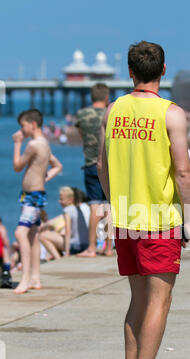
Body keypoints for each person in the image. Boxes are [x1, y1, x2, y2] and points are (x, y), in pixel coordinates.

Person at [97, 40, 190, 359]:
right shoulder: (171, 114)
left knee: (137, 300)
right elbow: (183, 171)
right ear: (163, 71)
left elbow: (101, 167)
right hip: (159, 219)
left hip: (125, 217)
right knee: (159, 301)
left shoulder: (113, 110)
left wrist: (114, 203)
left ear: (130, 71)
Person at [13, 109, 62, 294]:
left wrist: (18, 143)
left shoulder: (33, 144)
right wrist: (44, 177)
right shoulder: (45, 144)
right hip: (33, 195)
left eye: (23, 126)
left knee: (20, 234)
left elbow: (17, 166)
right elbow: (57, 166)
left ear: (32, 125)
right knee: (33, 236)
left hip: (32, 197)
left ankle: (25, 278)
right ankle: (35, 278)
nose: (21, 130)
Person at [75, 83, 113, 257]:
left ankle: (91, 248)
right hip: (111, 164)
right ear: (106, 98)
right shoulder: (110, 113)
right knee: (109, 206)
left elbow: (82, 136)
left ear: (91, 97)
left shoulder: (82, 114)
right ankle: (108, 247)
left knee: (94, 206)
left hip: (91, 163)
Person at [40, 187, 89, 258]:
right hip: (86, 244)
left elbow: (68, 232)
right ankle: (60, 256)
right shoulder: (78, 208)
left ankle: (59, 258)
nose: (59, 201)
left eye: (61, 199)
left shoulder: (68, 210)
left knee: (42, 236)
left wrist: (67, 252)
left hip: (76, 246)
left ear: (70, 200)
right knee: (53, 234)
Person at [0, 217, 12, 288]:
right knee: (5, 251)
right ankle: (6, 276)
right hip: (1, 251)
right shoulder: (1, 228)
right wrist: (10, 250)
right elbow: (6, 241)